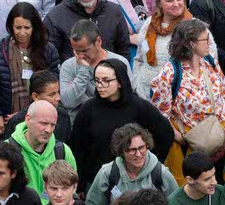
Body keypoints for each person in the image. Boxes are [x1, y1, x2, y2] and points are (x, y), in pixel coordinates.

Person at [151, 19, 225, 180]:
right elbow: (161, 113)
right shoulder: (170, 73)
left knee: (222, 179)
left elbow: (224, 89)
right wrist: (180, 138)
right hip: (192, 146)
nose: (209, 43)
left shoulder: (210, 61)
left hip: (221, 136)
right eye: (205, 40)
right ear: (191, 44)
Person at [72, 54, 173, 187]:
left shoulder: (140, 107)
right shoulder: (88, 109)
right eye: (97, 80)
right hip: (98, 182)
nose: (100, 85)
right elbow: (77, 148)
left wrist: (148, 163)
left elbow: (166, 134)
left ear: (120, 82)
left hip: (136, 181)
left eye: (106, 80)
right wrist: (80, 183)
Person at [85, 124, 178, 205]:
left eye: (142, 147)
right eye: (131, 149)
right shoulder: (108, 173)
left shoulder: (161, 174)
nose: (138, 154)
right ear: (121, 151)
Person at [0, 3, 60, 138]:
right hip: (5, 120)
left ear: (34, 27)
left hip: (39, 119)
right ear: (11, 26)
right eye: (18, 27)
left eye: (27, 28)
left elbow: (52, 89)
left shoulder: (48, 50)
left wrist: (22, 114)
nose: (22, 32)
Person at [43, 0, 130, 62]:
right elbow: (50, 55)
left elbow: (124, 49)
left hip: (110, 74)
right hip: (73, 74)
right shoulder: (55, 17)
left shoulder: (114, 11)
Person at [7, 100, 77, 202]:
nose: (48, 130)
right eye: (43, 123)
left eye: (52, 125)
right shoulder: (7, 150)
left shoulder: (62, 151)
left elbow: (72, 191)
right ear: (28, 119)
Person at [60, 20, 127, 122]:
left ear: (98, 41)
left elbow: (128, 97)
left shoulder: (119, 62)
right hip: (81, 126)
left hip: (114, 123)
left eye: (85, 50)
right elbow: (68, 102)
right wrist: (83, 69)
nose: (81, 56)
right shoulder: (68, 66)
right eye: (76, 51)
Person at [2, 70, 70, 143]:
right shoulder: (17, 121)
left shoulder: (63, 117)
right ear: (35, 96)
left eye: (58, 92)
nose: (58, 98)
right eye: (52, 94)